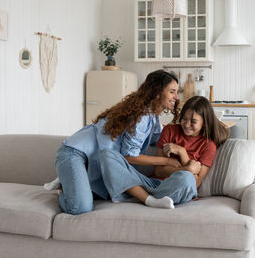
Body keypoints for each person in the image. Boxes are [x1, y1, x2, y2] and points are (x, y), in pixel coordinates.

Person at [53, 69, 181, 215]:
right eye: (172, 92)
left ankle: (74, 184)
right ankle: (64, 189)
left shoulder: (153, 119)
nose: (176, 97)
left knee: (101, 194)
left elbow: (159, 141)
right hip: (74, 153)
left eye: (177, 92)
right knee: (80, 207)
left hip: (91, 160)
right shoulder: (142, 116)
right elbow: (129, 156)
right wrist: (166, 161)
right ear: (157, 92)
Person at [98, 96, 230, 209]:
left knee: (187, 178)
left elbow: (195, 182)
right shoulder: (170, 131)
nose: (187, 124)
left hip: (177, 187)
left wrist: (182, 153)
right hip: (153, 184)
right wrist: (187, 168)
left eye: (193, 121)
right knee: (107, 155)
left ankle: (136, 194)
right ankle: (149, 200)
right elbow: (159, 171)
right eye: (184, 119)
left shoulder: (208, 145)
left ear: (204, 122)